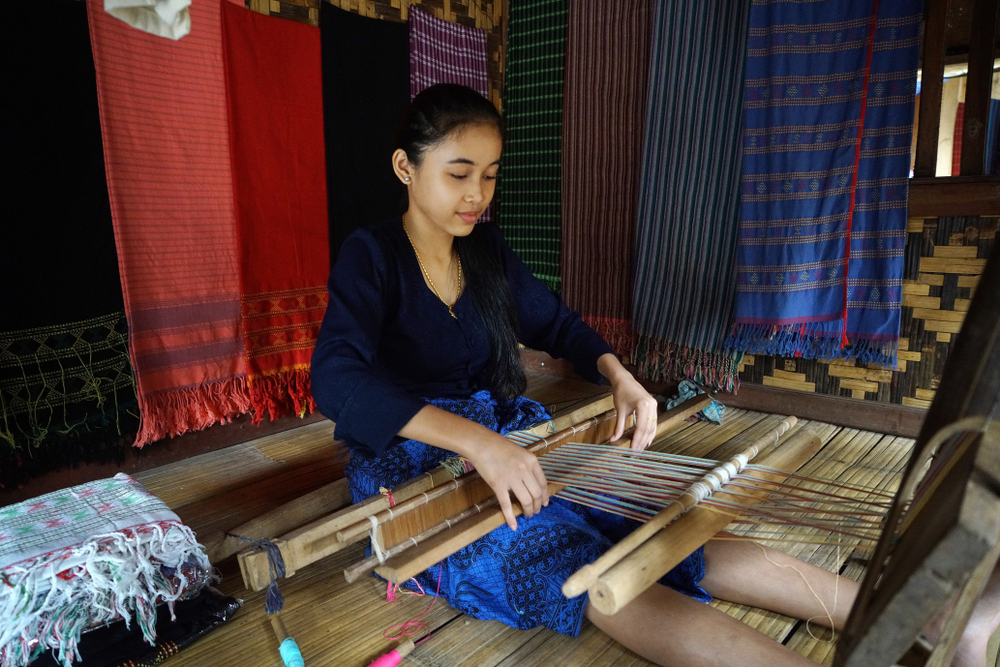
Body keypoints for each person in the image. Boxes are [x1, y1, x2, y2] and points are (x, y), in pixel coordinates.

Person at [310, 83, 991, 667]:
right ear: (405, 166)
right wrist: (478, 443)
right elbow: (337, 379)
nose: (477, 195)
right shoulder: (371, 256)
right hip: (418, 465)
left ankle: (935, 620)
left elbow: (559, 324)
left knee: (662, 527)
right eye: (459, 174)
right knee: (580, 569)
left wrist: (619, 376)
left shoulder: (484, 249)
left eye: (489, 174)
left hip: (512, 443)